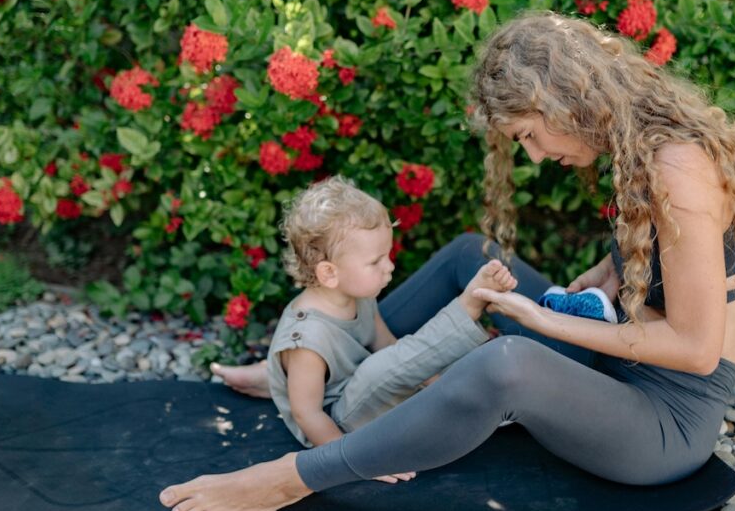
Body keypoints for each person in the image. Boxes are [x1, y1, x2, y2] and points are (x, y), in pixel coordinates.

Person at [159, 13, 735, 511]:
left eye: (526, 135)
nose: (537, 155)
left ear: (560, 101)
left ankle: (290, 476)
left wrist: (546, 320)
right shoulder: (643, 147)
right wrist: (602, 277)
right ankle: (307, 360)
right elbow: (662, 257)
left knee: (507, 362)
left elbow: (694, 348)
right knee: (473, 255)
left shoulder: (675, 166)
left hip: (662, 424)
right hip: (619, 367)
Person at [207, 176, 517, 483]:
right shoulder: (308, 340)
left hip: (357, 389)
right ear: (329, 273)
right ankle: (468, 307)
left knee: (404, 362)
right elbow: (308, 415)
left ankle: (270, 379)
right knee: (377, 371)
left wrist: (430, 381)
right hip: (337, 425)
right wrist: (352, 460)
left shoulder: (358, 296)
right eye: (376, 261)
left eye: (388, 255)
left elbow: (388, 346)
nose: (390, 266)